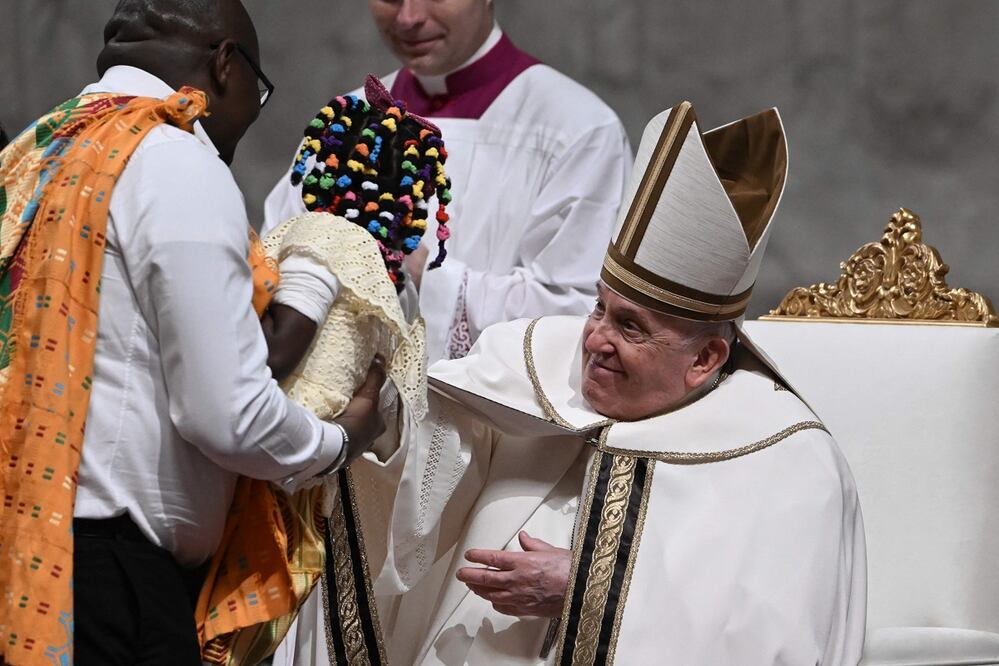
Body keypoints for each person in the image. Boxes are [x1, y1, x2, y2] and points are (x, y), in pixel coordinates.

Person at [373, 102, 868, 664]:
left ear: (705, 358)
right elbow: (419, 463)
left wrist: (588, 591)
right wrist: (379, 418)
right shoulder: (531, 367)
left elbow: (774, 643)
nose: (594, 341)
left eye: (630, 327)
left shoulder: (789, 461)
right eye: (599, 309)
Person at [0, 1, 385, 664]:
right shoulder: (171, 155)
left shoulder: (36, 151)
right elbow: (226, 413)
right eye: (257, 94)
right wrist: (341, 439)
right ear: (226, 64)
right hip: (106, 586)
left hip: (25, 548)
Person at [203, 76, 453, 665]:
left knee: (241, 607)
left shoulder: (322, 240)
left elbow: (280, 347)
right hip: (318, 460)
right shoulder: (389, 276)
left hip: (287, 440)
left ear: (325, 171)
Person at [263, 0, 632, 363]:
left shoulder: (578, 128)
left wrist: (428, 275)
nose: (409, 18)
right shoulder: (347, 122)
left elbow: (581, 311)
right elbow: (274, 263)